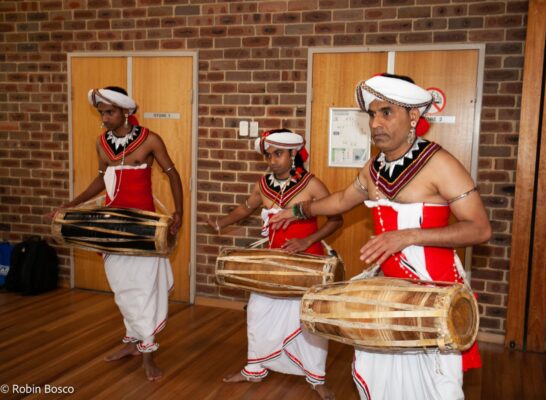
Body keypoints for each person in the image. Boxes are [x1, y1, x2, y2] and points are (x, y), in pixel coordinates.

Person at [271, 73, 492, 400]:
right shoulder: (373, 168)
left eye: (386, 112)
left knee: (436, 389)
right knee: (383, 383)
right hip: (388, 295)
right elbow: (342, 200)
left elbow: (480, 228)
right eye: (372, 114)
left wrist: (408, 236)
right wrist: (297, 211)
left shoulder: (439, 163)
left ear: (413, 116)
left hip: (436, 292)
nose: (376, 122)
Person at [52, 87, 183, 381]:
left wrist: (179, 213)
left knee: (143, 291)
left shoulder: (150, 140)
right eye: (101, 113)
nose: (104, 118)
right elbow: (101, 180)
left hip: (143, 228)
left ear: (126, 112)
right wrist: (73, 203)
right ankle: (132, 344)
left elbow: (172, 174)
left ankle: (148, 353)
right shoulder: (102, 143)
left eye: (109, 112)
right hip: (112, 226)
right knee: (123, 290)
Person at [206, 129, 342, 400]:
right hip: (272, 264)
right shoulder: (263, 184)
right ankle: (254, 368)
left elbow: (336, 219)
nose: (272, 160)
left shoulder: (312, 185)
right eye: (268, 154)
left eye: (278, 154)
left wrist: (307, 241)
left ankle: (316, 378)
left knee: (307, 319)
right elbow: (246, 208)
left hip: (307, 263)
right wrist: (222, 222)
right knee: (257, 312)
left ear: (293, 154)